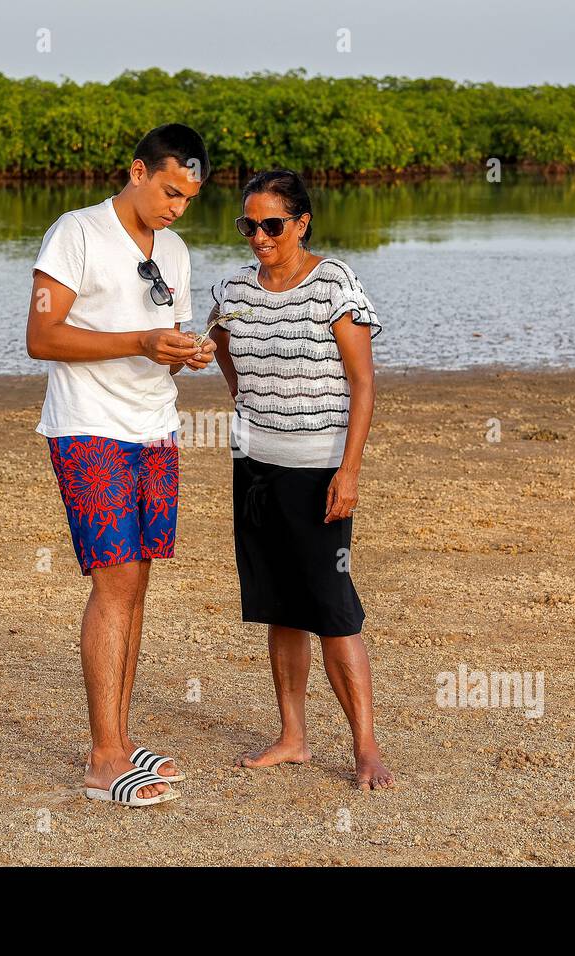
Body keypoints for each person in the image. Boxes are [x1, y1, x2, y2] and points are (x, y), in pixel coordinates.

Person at [26, 124, 216, 806]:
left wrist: (186, 353)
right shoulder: (74, 233)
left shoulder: (176, 250)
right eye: (169, 190)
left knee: (136, 584)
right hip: (89, 428)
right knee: (113, 585)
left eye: (189, 198)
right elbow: (41, 337)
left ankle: (122, 739)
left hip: (155, 429)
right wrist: (138, 339)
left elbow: (170, 336)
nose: (176, 207)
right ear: (137, 171)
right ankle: (103, 758)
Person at [207, 169, 394, 790]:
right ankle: (293, 737)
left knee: (334, 611)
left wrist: (349, 471)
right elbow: (219, 342)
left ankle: (366, 748)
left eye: (271, 225)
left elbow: (364, 384)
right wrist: (245, 401)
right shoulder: (234, 287)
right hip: (256, 469)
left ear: (301, 223)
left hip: (320, 472)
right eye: (248, 225)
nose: (258, 237)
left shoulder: (333, 283)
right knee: (280, 608)